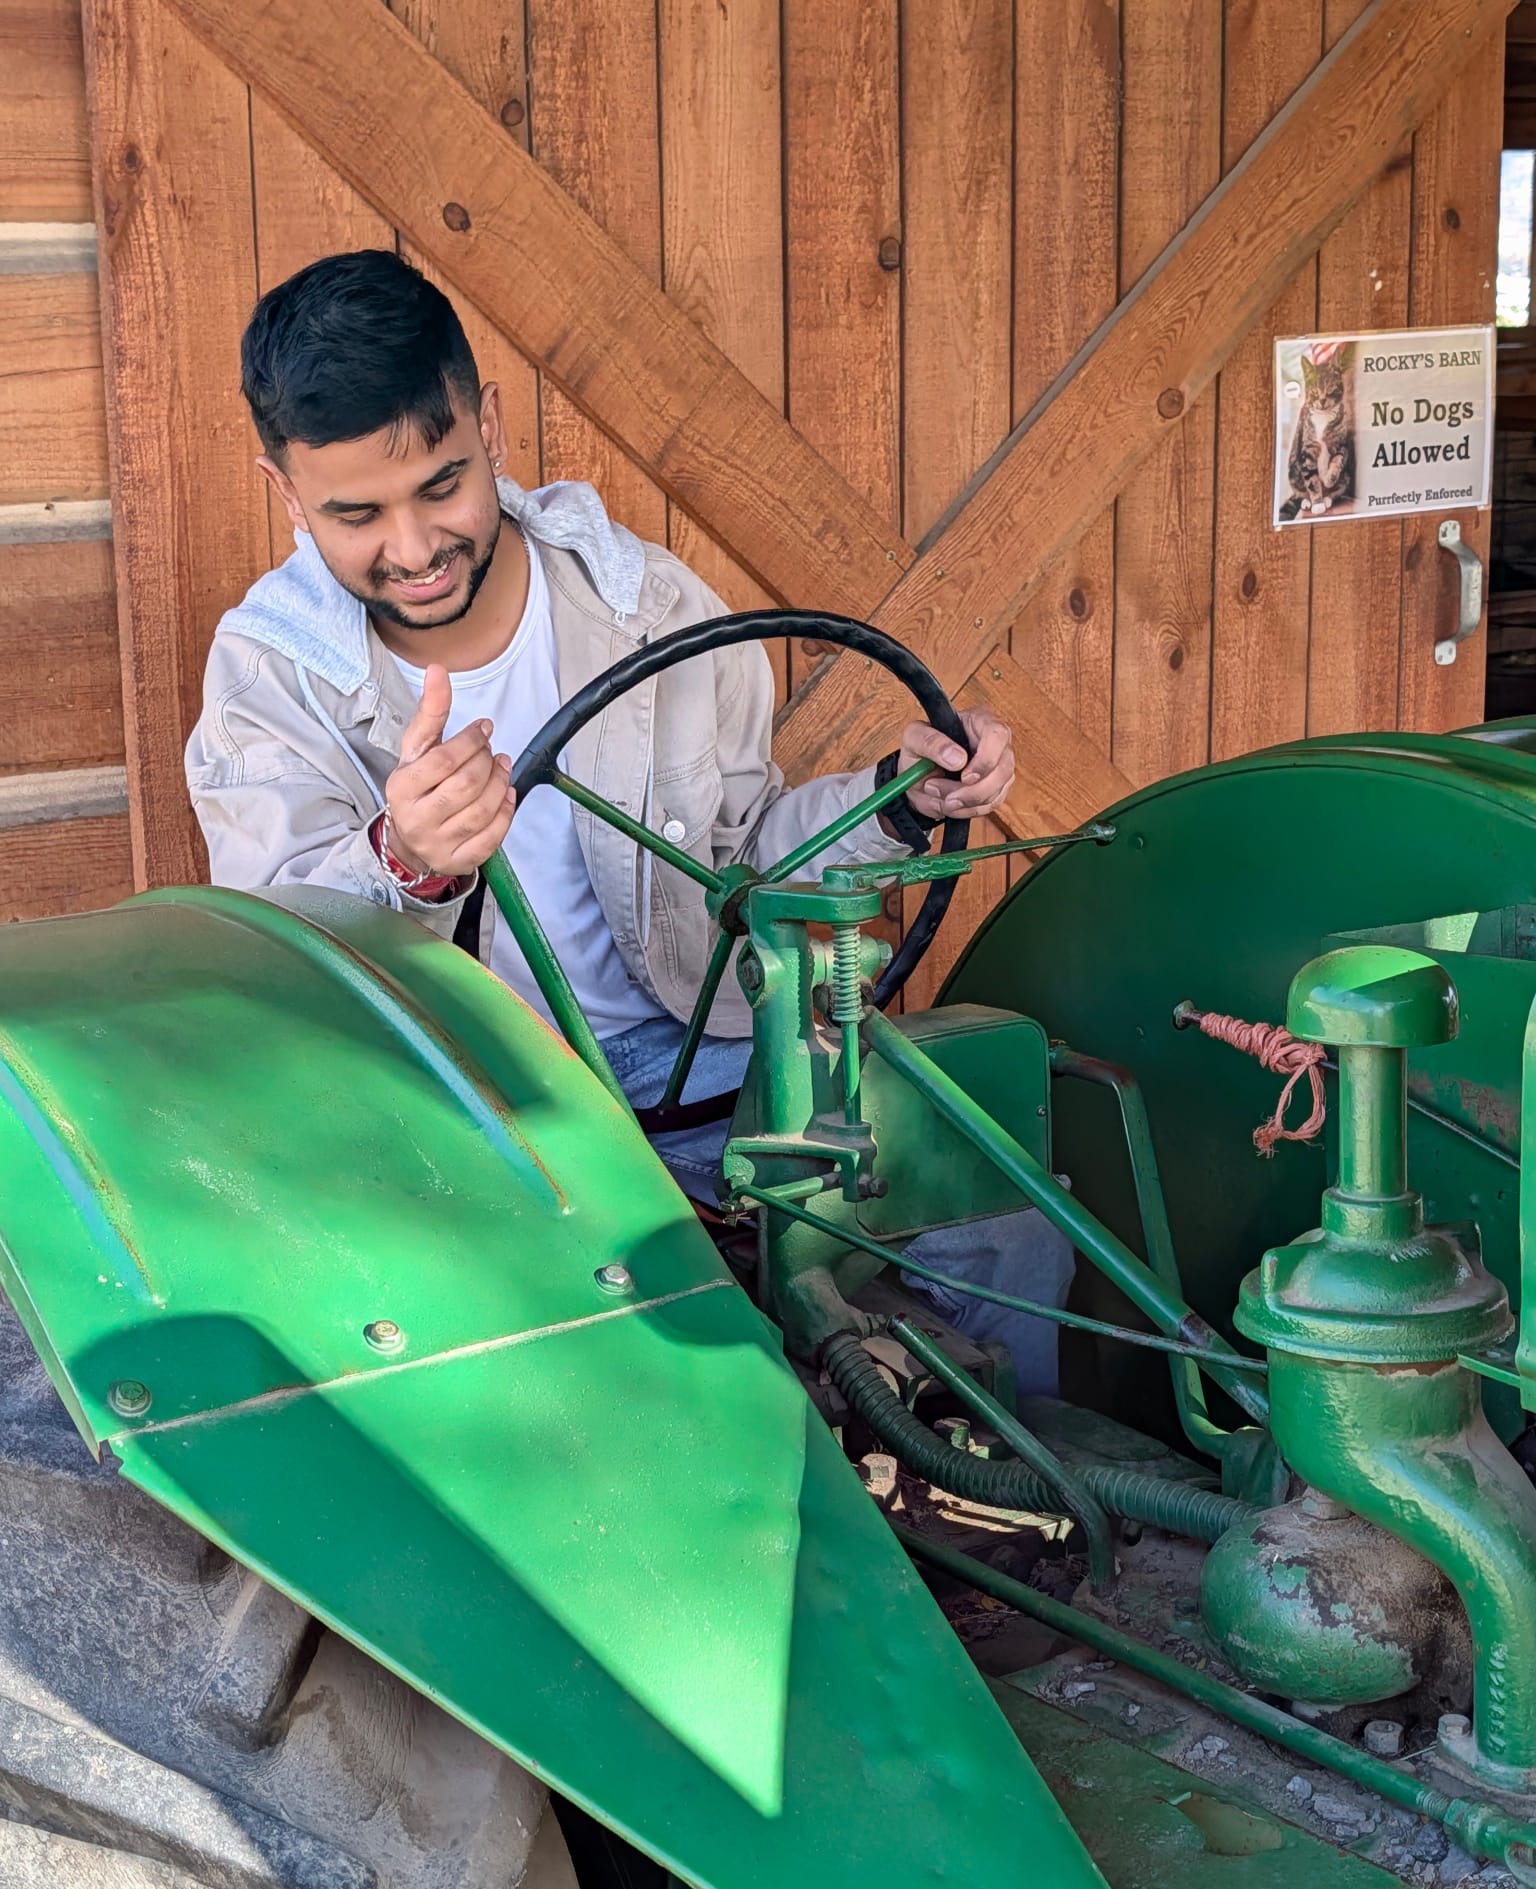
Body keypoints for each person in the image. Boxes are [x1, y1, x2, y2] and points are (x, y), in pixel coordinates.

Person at [185, 249, 1073, 1393]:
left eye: (441, 486)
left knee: (998, 1219)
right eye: (355, 514)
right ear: (285, 491)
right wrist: (401, 862)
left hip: (686, 1052)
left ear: (489, 426)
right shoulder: (270, 674)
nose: (410, 549)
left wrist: (895, 804)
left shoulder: (645, 606)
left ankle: (1026, 1517)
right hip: (459, 1105)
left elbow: (746, 852)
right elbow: (282, 962)